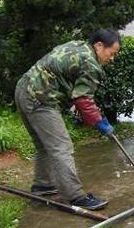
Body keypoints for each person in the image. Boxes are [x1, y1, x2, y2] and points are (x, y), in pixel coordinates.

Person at [14, 29, 121, 210]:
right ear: (99, 45)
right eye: (112, 53)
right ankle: (76, 196)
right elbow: (83, 100)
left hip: (24, 90)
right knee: (62, 147)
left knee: (44, 145)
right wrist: (100, 123)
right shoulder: (91, 63)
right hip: (41, 98)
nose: (112, 58)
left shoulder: (78, 46)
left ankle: (43, 186)